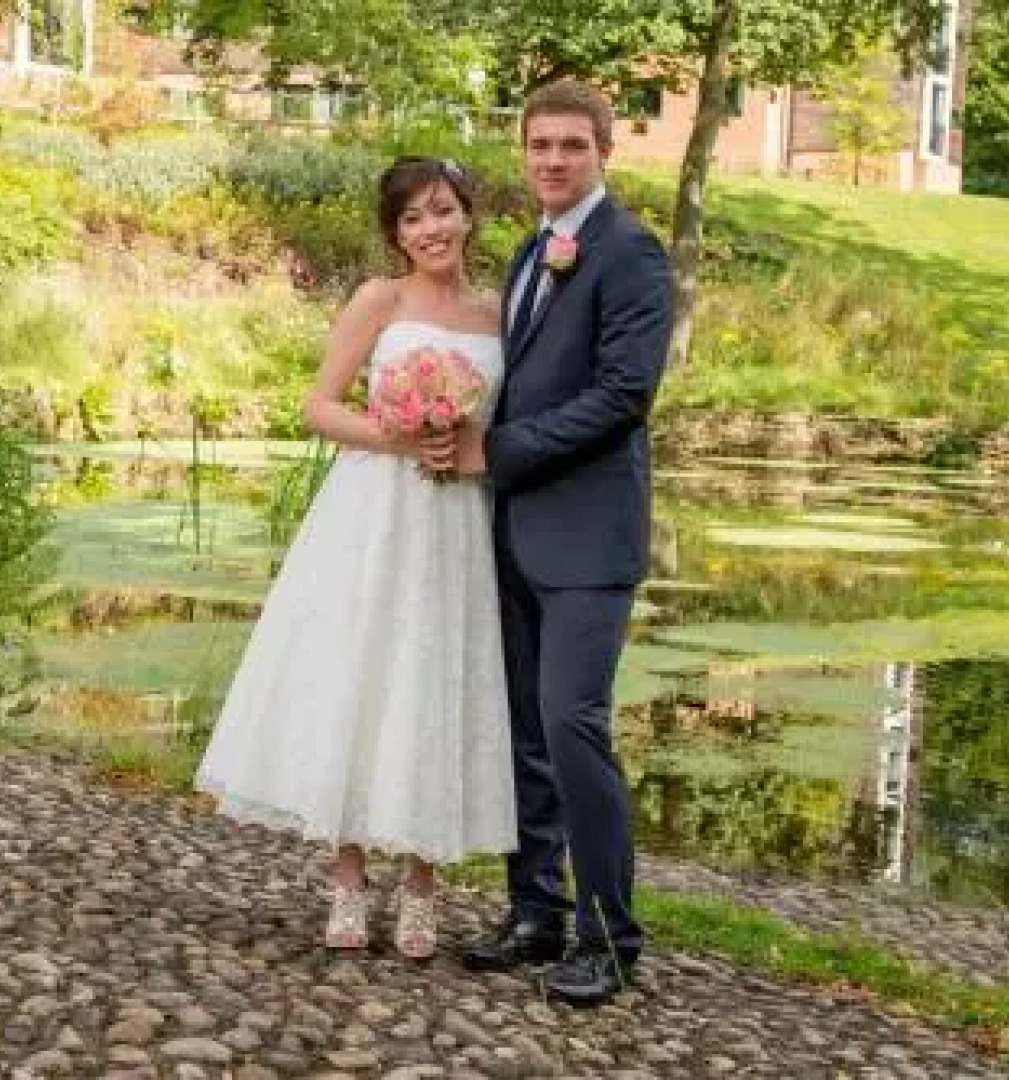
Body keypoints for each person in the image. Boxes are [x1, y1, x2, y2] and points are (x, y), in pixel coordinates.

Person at [196, 156, 516, 961]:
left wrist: (465, 443)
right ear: (395, 235)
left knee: (435, 680)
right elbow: (318, 406)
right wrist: (400, 436)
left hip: (455, 519)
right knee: (363, 674)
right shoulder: (381, 300)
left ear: (467, 214)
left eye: (443, 211)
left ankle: (420, 887)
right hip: (375, 507)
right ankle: (346, 879)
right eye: (412, 220)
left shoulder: (499, 313)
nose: (431, 229)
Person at [426, 79, 673, 1005]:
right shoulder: (535, 248)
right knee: (525, 729)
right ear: (522, 153)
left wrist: (498, 450)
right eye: (540, 146)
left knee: (573, 725)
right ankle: (537, 912)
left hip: (590, 538)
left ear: (604, 149)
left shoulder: (631, 254)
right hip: (516, 531)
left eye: (572, 145)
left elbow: (622, 397)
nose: (554, 161)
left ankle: (610, 939)